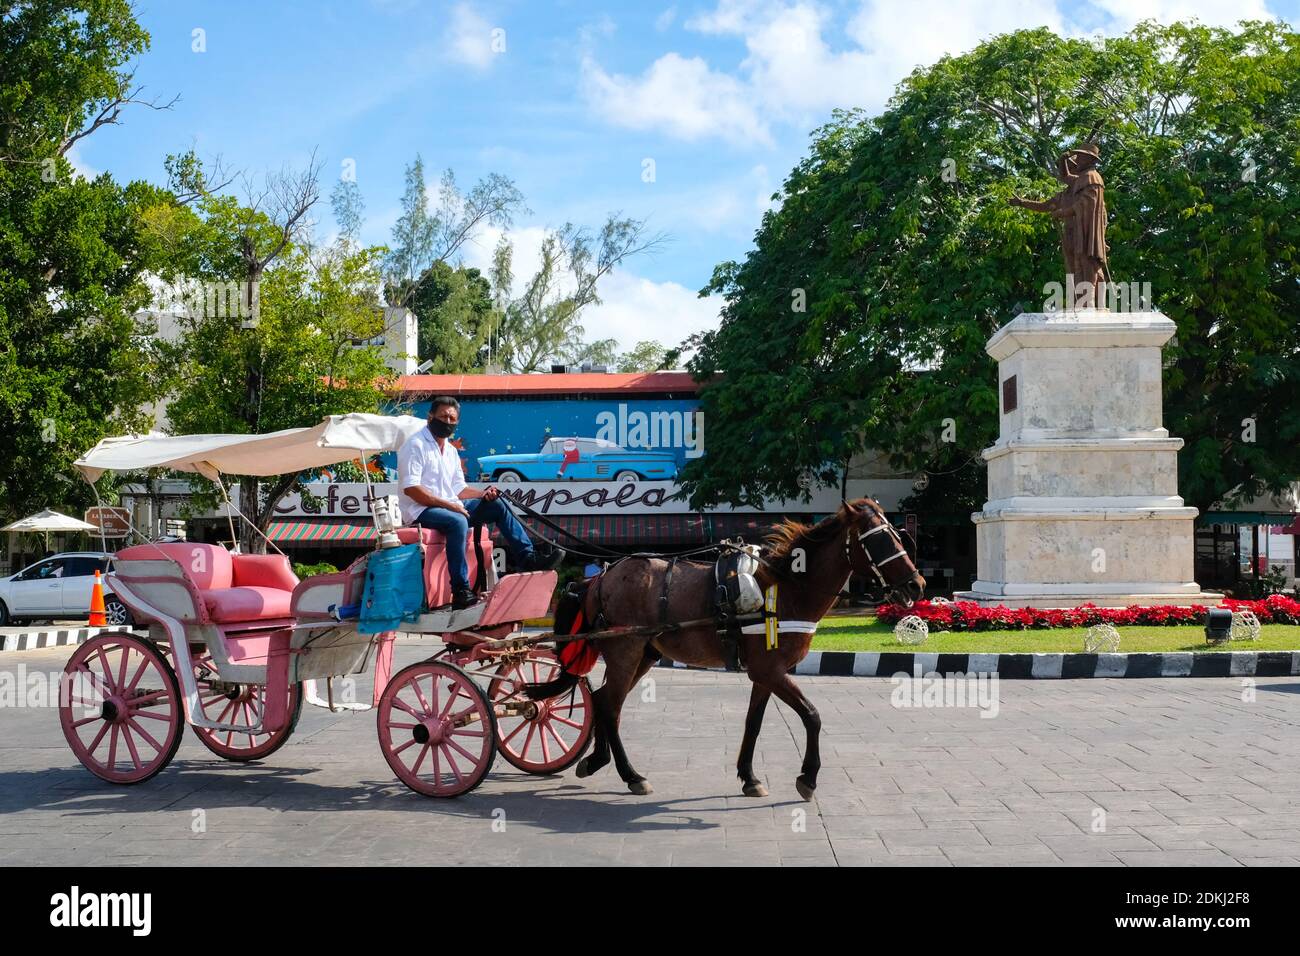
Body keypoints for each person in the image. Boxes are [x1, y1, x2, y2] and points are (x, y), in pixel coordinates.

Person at [398, 396, 563, 609]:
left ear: (456, 422)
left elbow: (458, 489)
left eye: (452, 418)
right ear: (430, 417)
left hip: (451, 506)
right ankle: (461, 590)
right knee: (457, 521)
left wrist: (483, 494)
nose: (447, 421)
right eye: (442, 416)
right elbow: (412, 489)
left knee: (498, 504)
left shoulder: (450, 450)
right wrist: (451, 506)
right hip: (421, 510)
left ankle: (527, 558)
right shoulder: (415, 444)